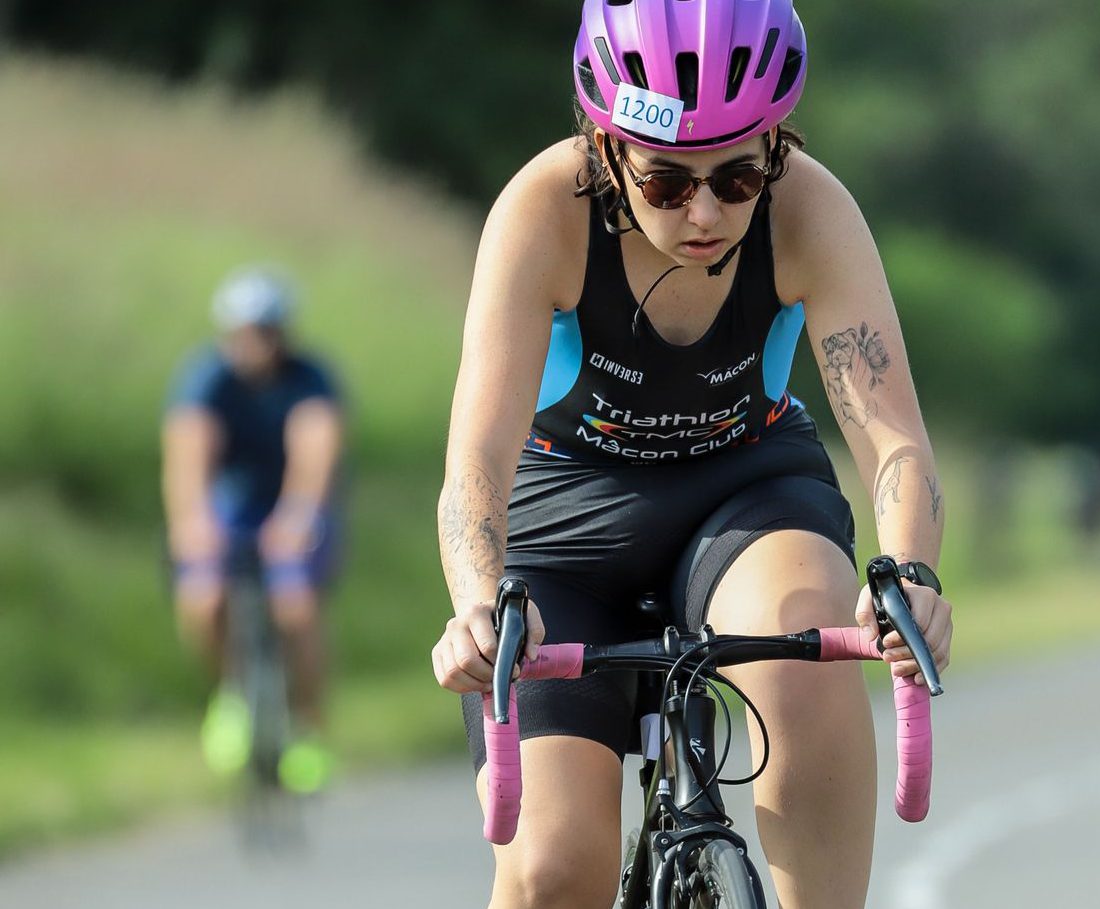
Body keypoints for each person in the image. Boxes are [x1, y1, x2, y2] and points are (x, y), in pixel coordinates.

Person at [430, 2, 953, 906]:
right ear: (607, 150)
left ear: (775, 148)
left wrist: (907, 575)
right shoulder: (545, 210)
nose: (706, 212)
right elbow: (477, 454)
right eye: (667, 183)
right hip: (564, 522)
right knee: (552, 869)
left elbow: (892, 437)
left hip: (745, 490)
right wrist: (477, 605)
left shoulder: (810, 210)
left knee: (803, 659)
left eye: (738, 176)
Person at [162, 266, 344, 793]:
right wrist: (192, 520)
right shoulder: (206, 377)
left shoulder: (310, 377)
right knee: (203, 599)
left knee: (296, 609)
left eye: (267, 331)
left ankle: (308, 726)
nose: (256, 343)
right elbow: (188, 454)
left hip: (292, 510)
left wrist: (301, 513)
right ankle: (232, 694)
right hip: (232, 511)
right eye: (244, 332)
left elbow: (316, 447)